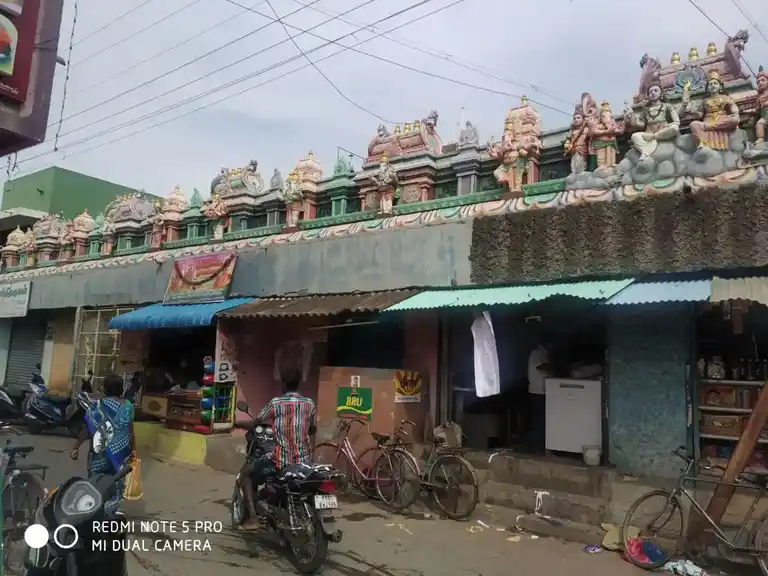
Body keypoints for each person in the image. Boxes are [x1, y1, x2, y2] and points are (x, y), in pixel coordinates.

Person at [236, 368, 316, 530]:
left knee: (246, 472)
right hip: (304, 461)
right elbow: (312, 429)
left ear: (283, 383)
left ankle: (252, 518)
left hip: (282, 460)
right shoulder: (310, 404)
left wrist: (235, 423)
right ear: (299, 383)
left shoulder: (276, 403)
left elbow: (254, 423)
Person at [70, 373, 135, 514]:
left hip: (99, 453)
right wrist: (134, 450)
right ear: (121, 389)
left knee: (94, 481)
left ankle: (93, 510)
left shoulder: (96, 407)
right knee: (116, 481)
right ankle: (111, 511)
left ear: (105, 389)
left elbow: (87, 430)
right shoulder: (128, 406)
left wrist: (76, 448)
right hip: (120, 454)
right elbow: (130, 430)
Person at [527, 335, 552, 453]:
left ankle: (543, 445)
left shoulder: (544, 353)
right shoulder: (538, 353)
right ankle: (539, 446)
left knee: (542, 419)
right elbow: (542, 366)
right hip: (538, 391)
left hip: (542, 391)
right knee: (540, 419)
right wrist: (557, 368)